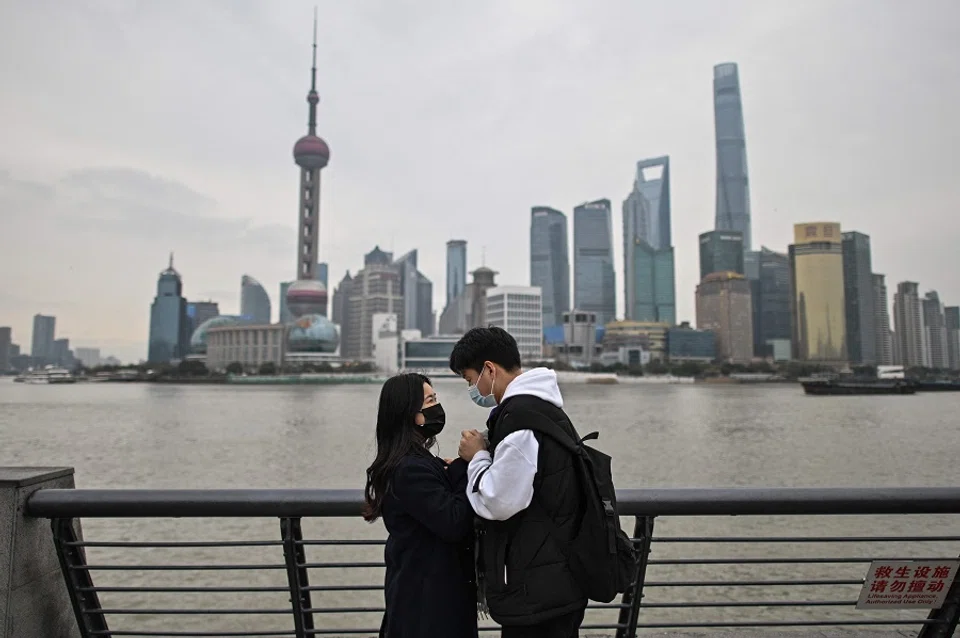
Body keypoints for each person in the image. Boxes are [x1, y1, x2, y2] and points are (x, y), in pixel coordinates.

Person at [450, 327, 587, 638]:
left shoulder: (520, 421)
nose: (472, 388)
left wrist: (477, 458)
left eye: (471, 380)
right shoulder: (542, 408)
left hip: (537, 589)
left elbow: (499, 501)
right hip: (555, 576)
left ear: (489, 369)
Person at [363, 373, 479, 638]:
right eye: (430, 400)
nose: (437, 406)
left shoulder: (413, 462)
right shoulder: (409, 468)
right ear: (411, 414)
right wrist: (467, 465)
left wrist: (453, 470)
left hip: (427, 595)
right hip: (428, 603)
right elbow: (454, 522)